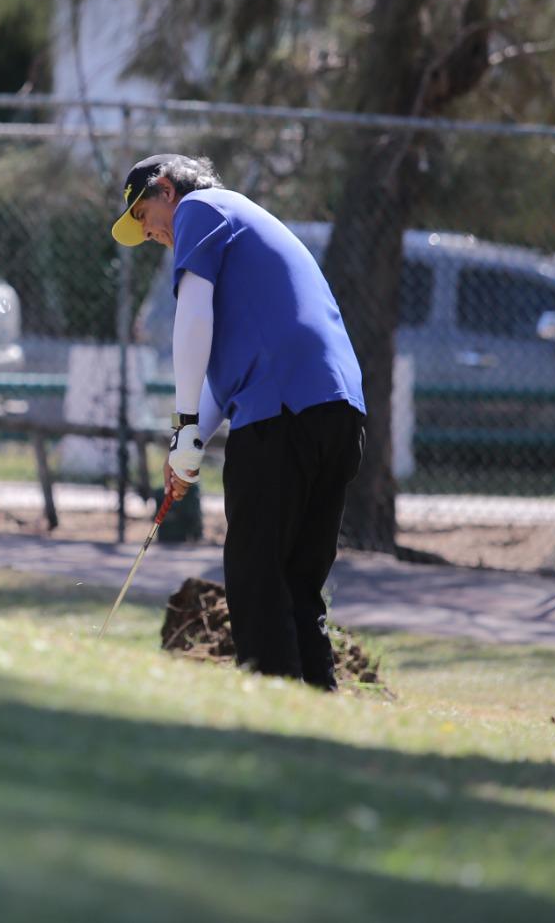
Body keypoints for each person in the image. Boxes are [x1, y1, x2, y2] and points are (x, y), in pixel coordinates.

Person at [111, 153, 366, 689]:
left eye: (143, 214)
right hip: (337, 412)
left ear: (165, 189)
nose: (150, 232)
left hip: (282, 414)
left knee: (255, 577)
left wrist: (183, 427)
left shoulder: (200, 208)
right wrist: (189, 446)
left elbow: (192, 314)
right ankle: (319, 713)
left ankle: (270, 708)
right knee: (297, 585)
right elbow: (219, 379)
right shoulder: (243, 225)